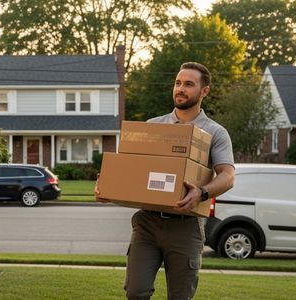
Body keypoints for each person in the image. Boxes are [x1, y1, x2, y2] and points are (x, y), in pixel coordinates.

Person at [95, 62, 235, 300]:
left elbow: (227, 176)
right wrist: (109, 186)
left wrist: (201, 193)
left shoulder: (215, 132)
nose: (181, 89)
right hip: (147, 223)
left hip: (186, 225)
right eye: (178, 83)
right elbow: (133, 171)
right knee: (136, 292)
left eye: (189, 84)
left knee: (180, 296)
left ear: (204, 91)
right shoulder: (154, 126)